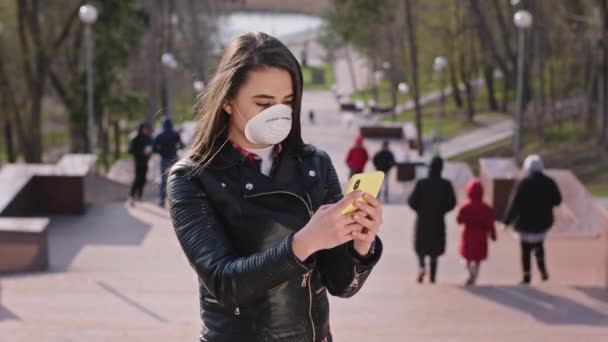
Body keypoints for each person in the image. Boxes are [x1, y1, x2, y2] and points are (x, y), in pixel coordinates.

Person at [167, 32, 383, 342]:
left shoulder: (315, 165)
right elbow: (225, 283)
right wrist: (305, 242)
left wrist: (361, 245)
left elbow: (340, 285)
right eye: (263, 103)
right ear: (227, 101)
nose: (278, 113)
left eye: (288, 101)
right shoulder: (193, 178)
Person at [504, 154, 562, 285]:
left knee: (525, 249)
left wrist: (507, 221)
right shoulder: (549, 182)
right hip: (543, 222)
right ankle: (542, 271)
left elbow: (515, 204)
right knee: (539, 244)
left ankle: (526, 276)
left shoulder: (523, 183)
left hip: (524, 223)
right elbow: (558, 200)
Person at [407, 156, 456, 284]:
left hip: (423, 220)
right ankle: (433, 277)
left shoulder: (422, 183)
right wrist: (442, 210)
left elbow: (412, 201)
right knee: (434, 250)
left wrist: (420, 209)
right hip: (438, 220)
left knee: (421, 247)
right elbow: (452, 202)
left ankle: (422, 267)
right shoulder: (446, 184)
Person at [456, 179, 496, 286]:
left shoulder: (466, 207)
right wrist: (493, 235)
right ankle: (475, 273)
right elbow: (490, 223)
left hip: (468, 234)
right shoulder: (486, 208)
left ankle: (470, 272)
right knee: (478, 257)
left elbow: (459, 220)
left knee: (467, 256)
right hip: (481, 236)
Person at [153, 116, 184, 207]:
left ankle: (162, 201)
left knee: (163, 180)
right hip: (174, 159)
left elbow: (154, 148)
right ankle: (175, 200)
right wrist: (175, 148)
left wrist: (161, 152)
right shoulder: (175, 134)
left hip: (164, 159)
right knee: (175, 179)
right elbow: (181, 146)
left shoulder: (160, 135)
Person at [128, 121, 153, 206]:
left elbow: (151, 147)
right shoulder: (135, 138)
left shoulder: (148, 138)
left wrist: (149, 152)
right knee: (137, 178)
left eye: (146, 129)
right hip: (138, 161)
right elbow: (130, 150)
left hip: (145, 161)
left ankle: (140, 195)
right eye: (144, 129)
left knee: (143, 179)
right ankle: (131, 196)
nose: (145, 131)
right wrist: (141, 152)